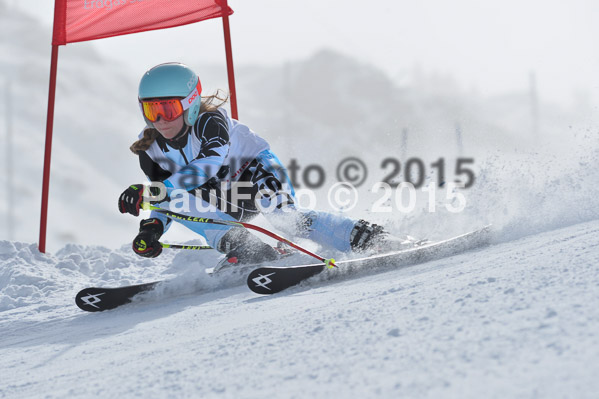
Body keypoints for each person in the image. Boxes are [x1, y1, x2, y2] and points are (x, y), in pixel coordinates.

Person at [118, 62, 410, 266]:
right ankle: (249, 251)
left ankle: (373, 238)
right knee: (173, 194)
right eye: (150, 110)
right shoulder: (151, 150)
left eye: (167, 109)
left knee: (288, 221)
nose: (160, 120)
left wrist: (153, 192)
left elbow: (208, 163)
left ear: (192, 102)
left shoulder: (210, 120)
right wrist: (153, 227)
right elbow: (168, 197)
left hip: (254, 177)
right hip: (224, 201)